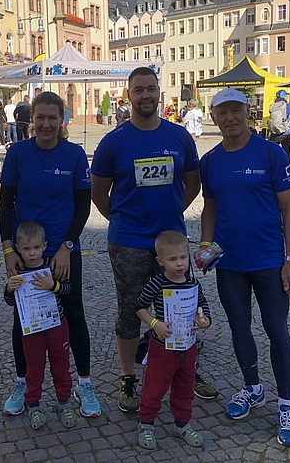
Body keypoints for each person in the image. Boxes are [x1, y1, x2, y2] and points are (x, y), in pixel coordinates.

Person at [91, 66, 216, 414]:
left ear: (159, 93)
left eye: (151, 89)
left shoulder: (179, 137)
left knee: (182, 306)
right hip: (128, 240)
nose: (145, 95)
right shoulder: (113, 141)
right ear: (128, 96)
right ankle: (129, 376)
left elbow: (192, 184)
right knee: (132, 309)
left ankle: (186, 366)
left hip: (172, 242)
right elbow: (98, 191)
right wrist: (119, 217)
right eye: (138, 90)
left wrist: (175, 211)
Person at [197, 88, 290, 447]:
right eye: (221, 113)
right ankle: (252, 388)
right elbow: (209, 208)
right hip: (230, 263)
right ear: (213, 118)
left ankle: (287, 405)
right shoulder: (209, 161)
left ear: (248, 112)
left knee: (277, 330)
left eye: (235, 111)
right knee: (239, 327)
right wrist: (205, 245)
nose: (229, 119)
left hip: (270, 261)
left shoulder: (270, 153)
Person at [0, 91, 100, 418]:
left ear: (61, 121)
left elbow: (83, 205)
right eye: (40, 117)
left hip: (63, 251)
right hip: (25, 254)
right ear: (32, 120)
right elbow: (4, 206)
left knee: (73, 314)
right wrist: (7, 250)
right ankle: (22, 382)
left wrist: (67, 247)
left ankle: (83, 383)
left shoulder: (73, 154)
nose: (45, 124)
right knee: (23, 319)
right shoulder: (17, 153)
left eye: (52, 118)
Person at [135, 231, 211, 450]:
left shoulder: (193, 282)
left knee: (185, 388)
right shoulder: (157, 284)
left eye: (183, 257)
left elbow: (202, 303)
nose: (180, 263)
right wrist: (154, 324)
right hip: (163, 349)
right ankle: (146, 424)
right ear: (160, 261)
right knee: (155, 388)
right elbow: (139, 307)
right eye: (172, 259)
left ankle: (182, 423)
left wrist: (205, 319)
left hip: (188, 347)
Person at [4, 221, 76, 430]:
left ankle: (64, 402)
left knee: (61, 366)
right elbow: (11, 302)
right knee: (33, 369)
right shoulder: (17, 271)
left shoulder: (51, 266)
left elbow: (68, 288)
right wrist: (9, 289)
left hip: (56, 327)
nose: (32, 253)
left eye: (36, 248)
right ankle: (33, 405)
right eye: (26, 249)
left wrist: (53, 285)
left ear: (44, 246)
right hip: (32, 330)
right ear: (18, 249)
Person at [268, 90, 290, 159]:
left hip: (274, 131)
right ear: (285, 97)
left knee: (273, 153)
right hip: (285, 132)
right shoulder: (288, 106)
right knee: (286, 153)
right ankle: (286, 168)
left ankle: (273, 167)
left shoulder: (272, 106)